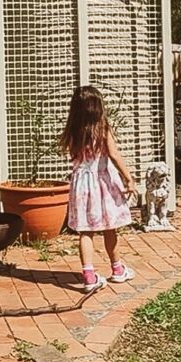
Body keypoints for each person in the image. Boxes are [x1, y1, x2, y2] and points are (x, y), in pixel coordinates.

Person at [60, 85, 137, 292]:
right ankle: (118, 269)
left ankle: (89, 276)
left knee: (86, 231)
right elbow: (113, 154)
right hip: (102, 184)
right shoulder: (102, 128)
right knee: (110, 227)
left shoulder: (73, 131)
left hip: (81, 186)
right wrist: (128, 178)